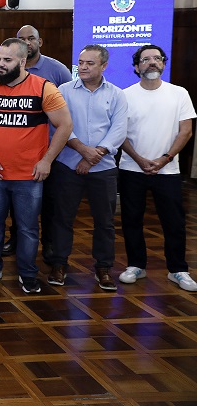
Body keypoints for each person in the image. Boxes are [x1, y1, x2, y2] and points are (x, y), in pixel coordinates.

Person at [0, 38, 72, 294]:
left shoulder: (44, 88)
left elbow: (65, 125)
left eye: (7, 60)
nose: (1, 64)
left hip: (29, 175)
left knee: (27, 228)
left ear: (23, 61)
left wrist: (47, 160)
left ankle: (27, 274)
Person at [118, 45, 197, 292]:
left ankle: (178, 270)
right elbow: (119, 133)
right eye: (146, 59)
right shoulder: (125, 95)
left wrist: (165, 158)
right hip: (131, 168)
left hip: (168, 170)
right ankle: (136, 265)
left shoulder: (179, 93)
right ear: (136, 66)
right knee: (131, 219)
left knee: (174, 222)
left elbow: (186, 131)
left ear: (163, 63)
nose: (152, 62)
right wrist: (139, 159)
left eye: (157, 58)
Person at [51, 45, 127, 290]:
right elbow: (58, 125)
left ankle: (103, 268)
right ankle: (59, 264)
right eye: (81, 62)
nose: (82, 67)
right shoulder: (64, 91)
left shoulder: (117, 95)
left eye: (89, 63)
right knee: (62, 218)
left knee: (105, 222)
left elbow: (119, 130)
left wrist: (94, 156)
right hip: (67, 165)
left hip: (103, 168)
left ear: (104, 66)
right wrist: (83, 150)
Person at [13, 25, 72, 261]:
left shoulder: (57, 70)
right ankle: (15, 239)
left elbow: (68, 111)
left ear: (40, 42)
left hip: (51, 151)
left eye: (31, 38)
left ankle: (48, 244)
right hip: (21, 150)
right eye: (22, 39)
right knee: (17, 201)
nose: (27, 43)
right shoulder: (10, 68)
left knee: (50, 202)